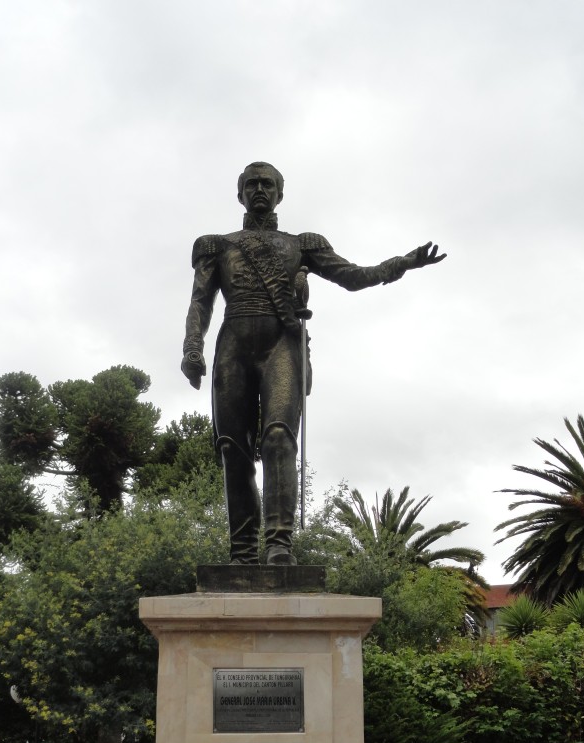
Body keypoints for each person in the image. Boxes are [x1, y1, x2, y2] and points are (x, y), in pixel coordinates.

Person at [181, 161, 446, 565]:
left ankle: (278, 545)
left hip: (281, 345)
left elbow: (354, 276)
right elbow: (201, 301)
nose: (259, 190)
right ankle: (242, 553)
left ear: (280, 194)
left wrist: (402, 263)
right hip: (232, 345)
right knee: (233, 448)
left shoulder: (302, 244)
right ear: (239, 194)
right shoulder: (217, 245)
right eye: (251, 184)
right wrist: (192, 348)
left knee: (277, 437)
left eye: (267, 184)